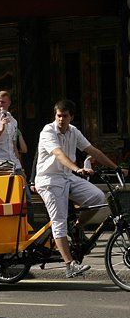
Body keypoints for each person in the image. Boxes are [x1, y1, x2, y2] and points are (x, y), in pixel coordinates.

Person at [35, 99, 120, 278]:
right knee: (58, 221)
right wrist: (77, 169)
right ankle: (69, 264)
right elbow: (58, 154)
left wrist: (116, 168)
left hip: (67, 177)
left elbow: (93, 150)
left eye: (65, 116)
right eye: (58, 116)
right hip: (49, 180)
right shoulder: (48, 131)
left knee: (97, 197)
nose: (61, 120)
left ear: (71, 117)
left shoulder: (74, 131)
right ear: (55, 115)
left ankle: (76, 226)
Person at [0, 91, 35, 227]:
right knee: (5, 200)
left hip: (14, 164)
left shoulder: (13, 120)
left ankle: (30, 228)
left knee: (26, 198)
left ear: (9, 103)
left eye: (3, 102)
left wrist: (20, 164)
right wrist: (0, 129)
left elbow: (13, 144)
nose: (0, 105)